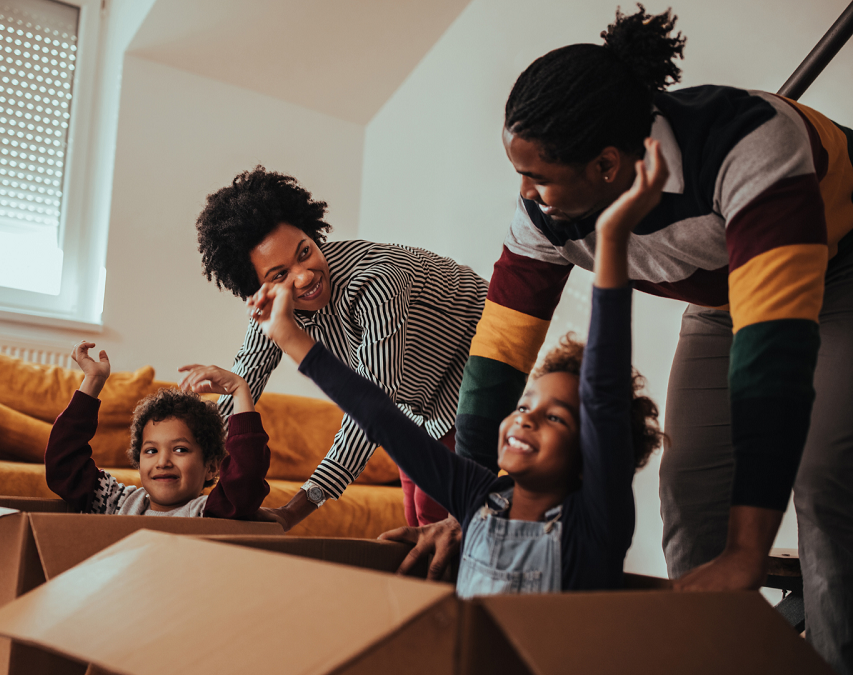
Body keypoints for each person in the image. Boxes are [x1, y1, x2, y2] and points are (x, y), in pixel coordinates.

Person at [436, 5, 852, 669]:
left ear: (607, 165)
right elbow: (496, 360)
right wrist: (473, 509)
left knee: (825, 471)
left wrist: (749, 550)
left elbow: (772, 363)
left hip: (840, 268)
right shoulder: (544, 216)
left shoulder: (749, 145)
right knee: (689, 484)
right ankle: (706, 653)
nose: (525, 193)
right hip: (720, 294)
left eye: (538, 176)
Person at [246, 138, 667, 594]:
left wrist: (612, 239)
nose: (522, 419)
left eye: (554, 418)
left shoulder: (597, 520)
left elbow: (603, 391)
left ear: (591, 453)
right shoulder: (477, 497)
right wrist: (288, 337)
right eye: (525, 407)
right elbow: (377, 412)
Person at [195, 167, 487, 529]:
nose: (304, 276)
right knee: (416, 520)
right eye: (279, 275)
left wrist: (294, 510)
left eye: (305, 252)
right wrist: (191, 452)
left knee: (435, 516)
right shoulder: (272, 308)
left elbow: (368, 414)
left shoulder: (376, 282)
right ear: (259, 287)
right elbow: (246, 375)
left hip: (475, 367)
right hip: (414, 399)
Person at [44, 341, 270, 518]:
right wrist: (92, 381)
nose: (163, 462)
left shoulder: (209, 512)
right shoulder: (117, 502)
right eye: (151, 451)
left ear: (211, 467)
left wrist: (241, 390)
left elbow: (245, 480)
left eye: (180, 449)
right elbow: (63, 466)